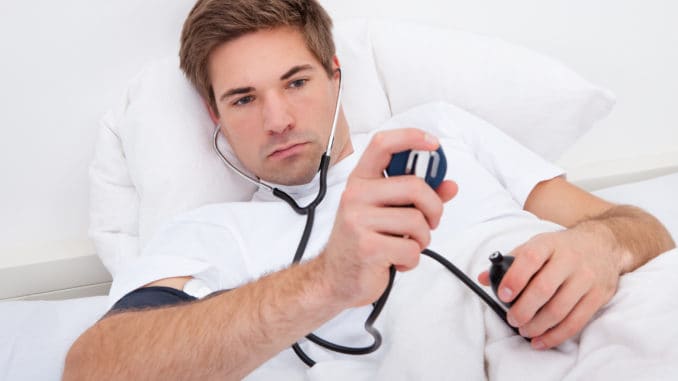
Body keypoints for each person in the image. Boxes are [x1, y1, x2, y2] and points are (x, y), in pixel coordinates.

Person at [63, 0, 675, 379]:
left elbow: (642, 228)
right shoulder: (210, 233)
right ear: (215, 117)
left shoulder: (440, 128)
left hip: (627, 321)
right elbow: (96, 371)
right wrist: (327, 281)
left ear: (335, 75)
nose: (277, 119)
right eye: (243, 99)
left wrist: (600, 248)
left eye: (296, 81)